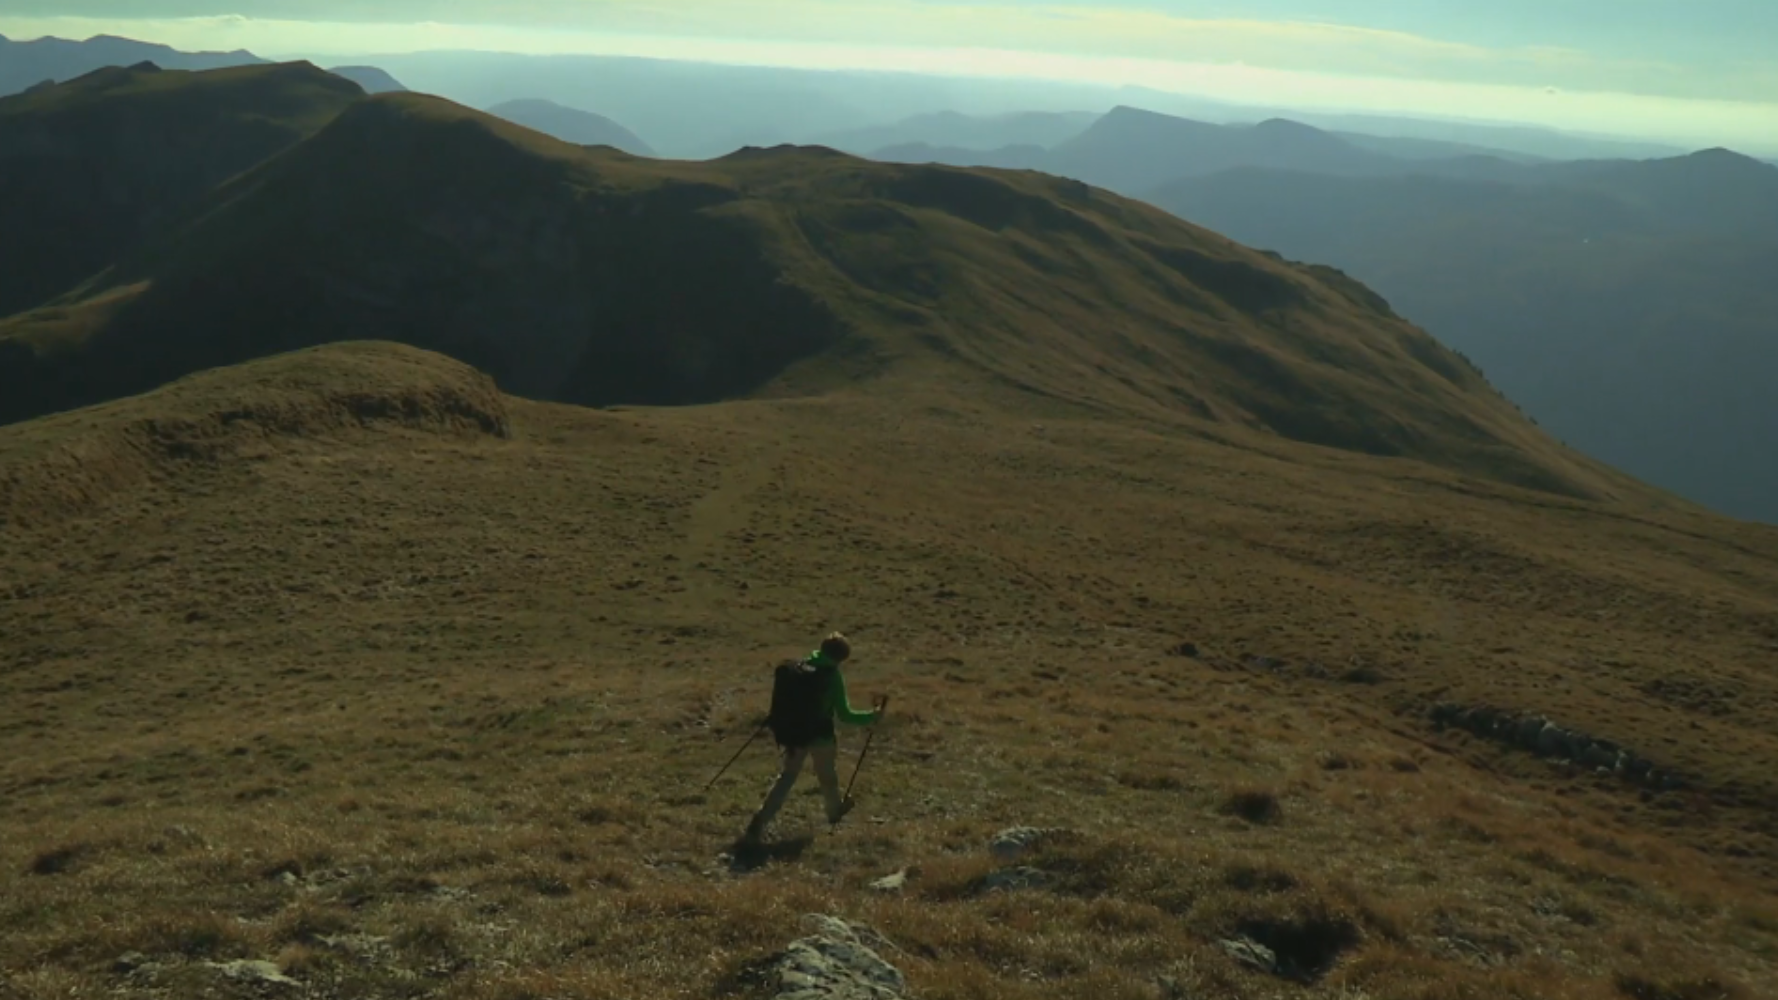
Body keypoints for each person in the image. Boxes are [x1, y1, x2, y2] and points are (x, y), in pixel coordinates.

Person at [739, 632, 883, 846]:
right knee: (827, 777)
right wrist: (873, 716)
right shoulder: (831, 675)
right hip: (821, 736)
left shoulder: (801, 667)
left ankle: (760, 820)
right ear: (841, 658)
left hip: (794, 733)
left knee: (786, 778)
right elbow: (845, 715)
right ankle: (834, 812)